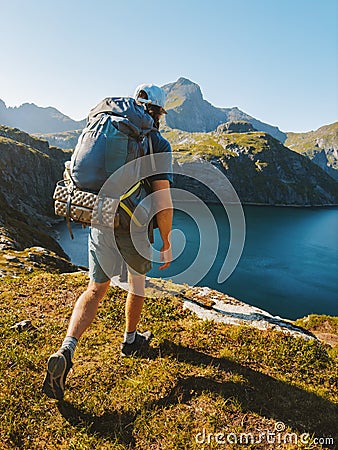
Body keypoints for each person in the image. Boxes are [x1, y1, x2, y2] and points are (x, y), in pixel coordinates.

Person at [43, 84, 173, 401]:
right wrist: (166, 241)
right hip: (134, 223)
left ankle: (67, 349)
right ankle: (130, 340)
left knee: (95, 288)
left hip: (102, 216)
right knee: (137, 284)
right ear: (157, 112)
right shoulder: (156, 141)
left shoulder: (109, 124)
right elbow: (163, 198)